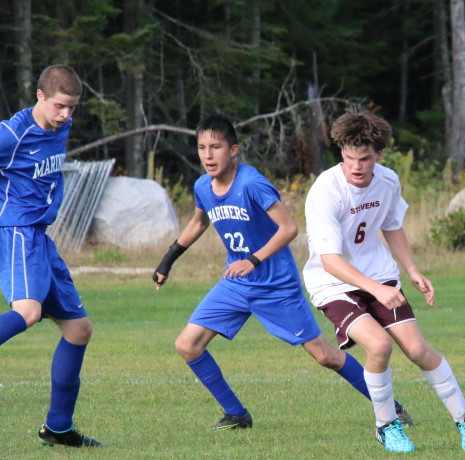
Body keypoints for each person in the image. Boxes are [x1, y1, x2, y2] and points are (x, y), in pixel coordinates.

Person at [152, 114, 412, 431]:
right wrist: (168, 261)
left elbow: (289, 228)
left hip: (276, 285)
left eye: (216, 147)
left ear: (233, 150)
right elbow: (198, 222)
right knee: (187, 344)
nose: (208, 155)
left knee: (325, 356)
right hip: (236, 283)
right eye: (202, 147)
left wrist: (254, 260)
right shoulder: (203, 186)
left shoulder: (251, 183)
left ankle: (392, 408)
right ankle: (236, 414)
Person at [302, 111, 465, 453]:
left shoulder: (387, 181)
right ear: (341, 151)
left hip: (380, 276)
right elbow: (330, 260)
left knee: (417, 349)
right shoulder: (325, 191)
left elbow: (390, 224)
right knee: (379, 346)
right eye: (350, 157)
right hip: (332, 283)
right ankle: (387, 426)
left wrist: (412, 270)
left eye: (365, 158)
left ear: (379, 155)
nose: (357, 166)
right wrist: (377, 289)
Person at [0, 65, 102, 448]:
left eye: (72, 108)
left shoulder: (61, 127)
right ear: (39, 96)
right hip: (16, 235)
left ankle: (58, 428)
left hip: (42, 239)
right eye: (60, 106)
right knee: (28, 312)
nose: (66, 115)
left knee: (79, 330)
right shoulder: (12, 133)